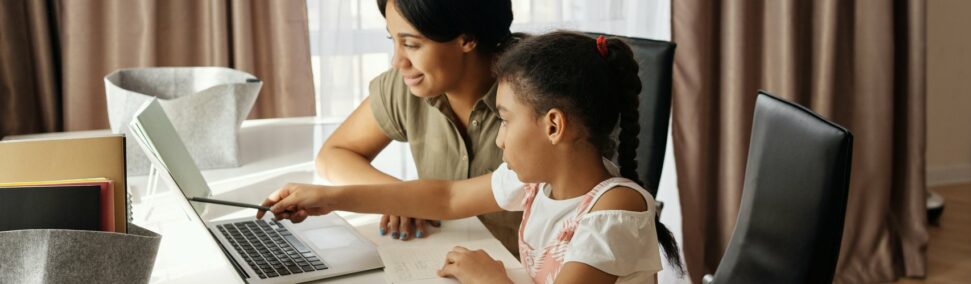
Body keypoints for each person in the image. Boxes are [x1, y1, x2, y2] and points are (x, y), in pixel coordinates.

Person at [259, 31, 683, 283]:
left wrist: (492, 278)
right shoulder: (536, 183)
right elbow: (444, 198)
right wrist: (328, 198)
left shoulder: (614, 211)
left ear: (553, 126)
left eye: (505, 120)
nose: (499, 140)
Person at [314, 0, 522, 252]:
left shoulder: (535, 96)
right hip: (446, 264)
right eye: (393, 40)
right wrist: (402, 198)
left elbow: (449, 199)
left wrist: (408, 199)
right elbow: (332, 155)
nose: (397, 61)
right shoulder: (408, 85)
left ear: (467, 38)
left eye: (411, 44)